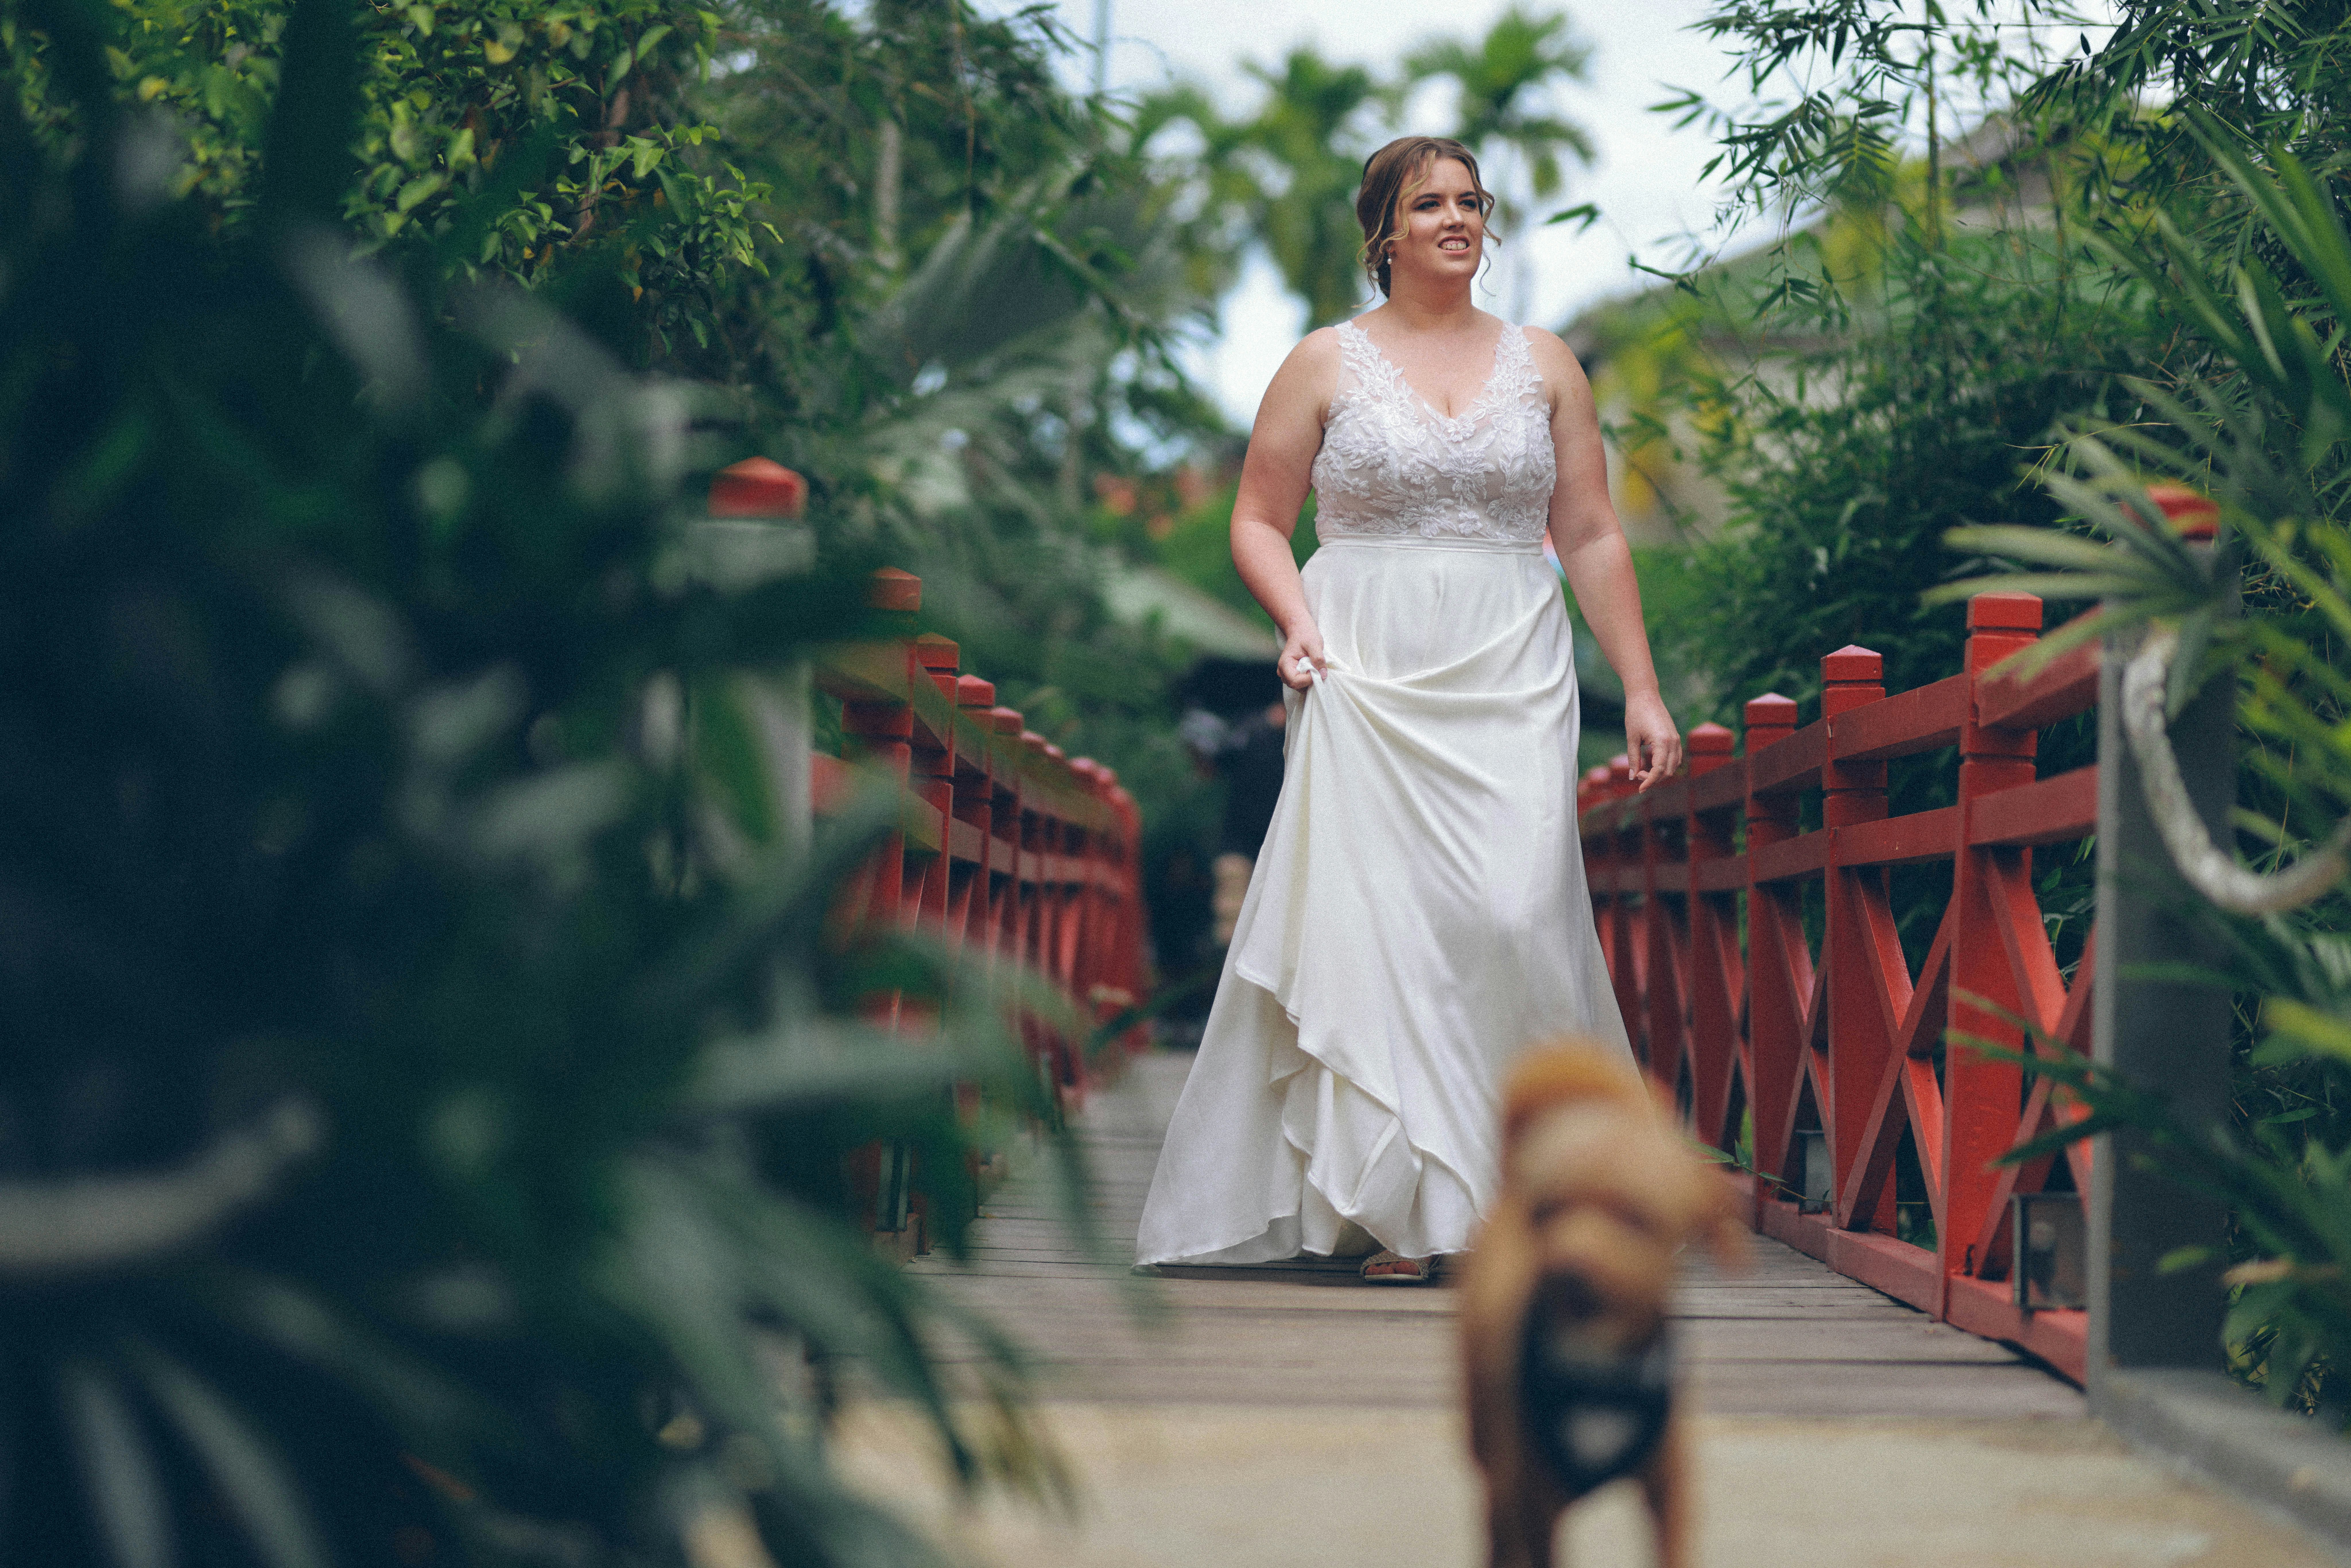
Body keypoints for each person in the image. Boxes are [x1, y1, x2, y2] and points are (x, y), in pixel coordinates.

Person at [1133, 136, 1683, 1283]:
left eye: (1471, 201)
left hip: (1510, 661)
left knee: (1512, 916)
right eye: (1430, 203)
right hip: (1363, 666)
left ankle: (1524, 1189)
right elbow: (1256, 519)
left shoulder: (1545, 363)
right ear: (1384, 232)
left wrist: (1639, 685)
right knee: (1385, 927)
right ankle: (1411, 1209)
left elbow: (1589, 532)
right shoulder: (1323, 362)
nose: (1457, 219)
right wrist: (1294, 622)